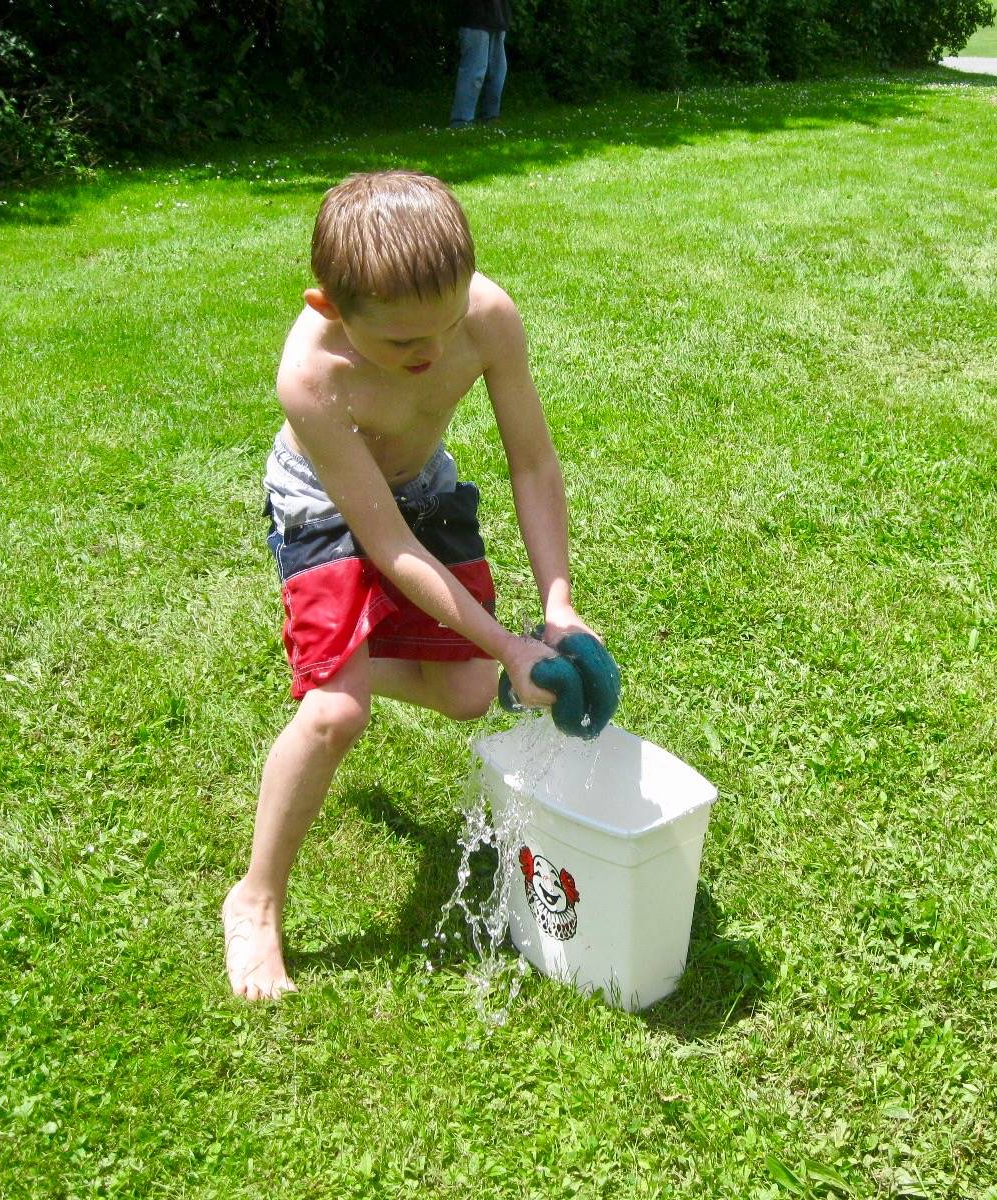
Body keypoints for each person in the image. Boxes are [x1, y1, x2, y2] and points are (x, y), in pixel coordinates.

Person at [224, 171, 605, 1000]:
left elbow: (532, 462)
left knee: (471, 691)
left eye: (446, 323)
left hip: (424, 486)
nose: (430, 354)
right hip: (327, 501)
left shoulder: (487, 317)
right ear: (328, 307)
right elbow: (386, 546)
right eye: (401, 345)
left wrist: (557, 604)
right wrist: (507, 641)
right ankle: (256, 898)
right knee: (334, 715)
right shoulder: (311, 377)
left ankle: (336, 659)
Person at [450, 0, 510, 128]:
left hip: (497, 18)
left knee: (497, 72)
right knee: (474, 72)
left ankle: (490, 117)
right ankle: (462, 121)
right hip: (474, 18)